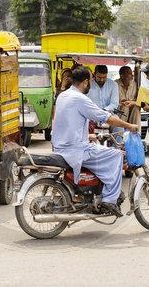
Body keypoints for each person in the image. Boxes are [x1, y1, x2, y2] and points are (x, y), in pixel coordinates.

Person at [52, 66, 139, 217]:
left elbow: (69, 123)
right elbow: (106, 117)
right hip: (76, 150)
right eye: (91, 81)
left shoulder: (63, 96)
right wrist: (129, 125)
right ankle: (109, 200)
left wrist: (87, 136)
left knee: (103, 151)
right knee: (116, 155)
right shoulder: (80, 98)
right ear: (86, 82)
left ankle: (95, 193)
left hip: (62, 146)